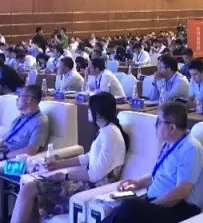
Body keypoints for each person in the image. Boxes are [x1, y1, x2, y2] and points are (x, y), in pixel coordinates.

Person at [10, 92, 129, 223]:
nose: (88, 111)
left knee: (29, 189)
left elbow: (95, 175)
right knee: (32, 192)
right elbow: (88, 158)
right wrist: (59, 164)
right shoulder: (105, 131)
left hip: (96, 187)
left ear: (98, 113)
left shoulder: (111, 135)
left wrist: (65, 175)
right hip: (89, 182)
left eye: (90, 109)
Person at [102, 102, 203, 222]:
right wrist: (138, 182)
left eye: (159, 122)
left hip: (180, 208)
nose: (155, 126)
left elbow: (182, 192)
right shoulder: (169, 144)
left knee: (129, 208)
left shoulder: (191, 149)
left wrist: (153, 205)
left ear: (172, 128)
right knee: (121, 209)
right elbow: (159, 176)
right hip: (160, 202)